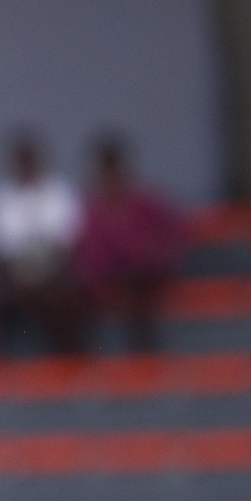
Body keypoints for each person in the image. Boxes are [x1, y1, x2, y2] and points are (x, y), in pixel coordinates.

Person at [74, 134, 187, 353]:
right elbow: (88, 253)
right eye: (105, 169)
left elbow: (171, 240)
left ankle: (143, 359)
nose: (110, 175)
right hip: (106, 280)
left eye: (113, 167)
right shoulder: (90, 209)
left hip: (146, 277)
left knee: (137, 289)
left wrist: (148, 258)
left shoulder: (148, 203)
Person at [0, 130, 87, 355]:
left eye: (29, 159)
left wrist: (42, 270)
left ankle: (67, 364)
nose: (25, 165)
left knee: (63, 300)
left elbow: (67, 241)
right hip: (11, 273)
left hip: (53, 270)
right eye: (21, 159)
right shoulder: (2, 194)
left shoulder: (59, 190)